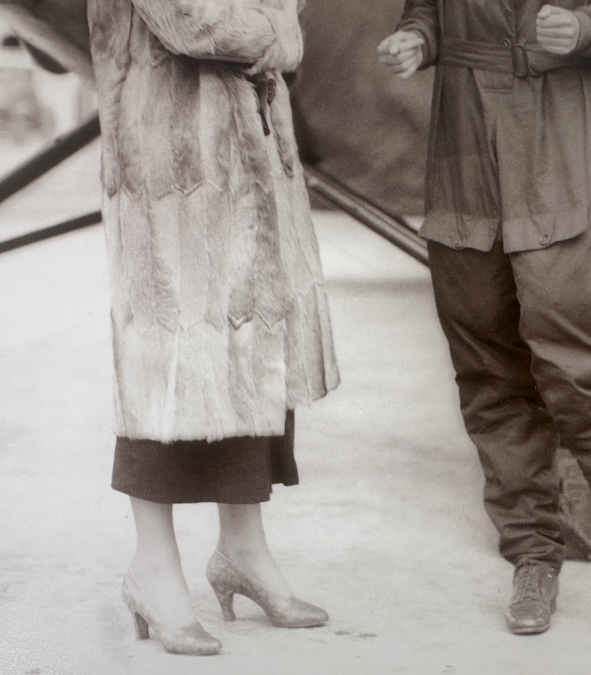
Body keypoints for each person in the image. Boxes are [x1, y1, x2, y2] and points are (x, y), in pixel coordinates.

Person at [379, 0, 591, 646]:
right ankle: (532, 556)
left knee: (584, 365)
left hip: (561, 136)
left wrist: (585, 30)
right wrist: (418, 39)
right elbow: (429, 10)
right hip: (465, 146)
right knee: (487, 365)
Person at [86, 0, 339, 656]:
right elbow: (188, 18)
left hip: (247, 143)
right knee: (167, 365)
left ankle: (243, 548)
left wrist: (278, 20)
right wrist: (276, 29)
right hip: (169, 153)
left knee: (253, 350)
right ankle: (152, 567)